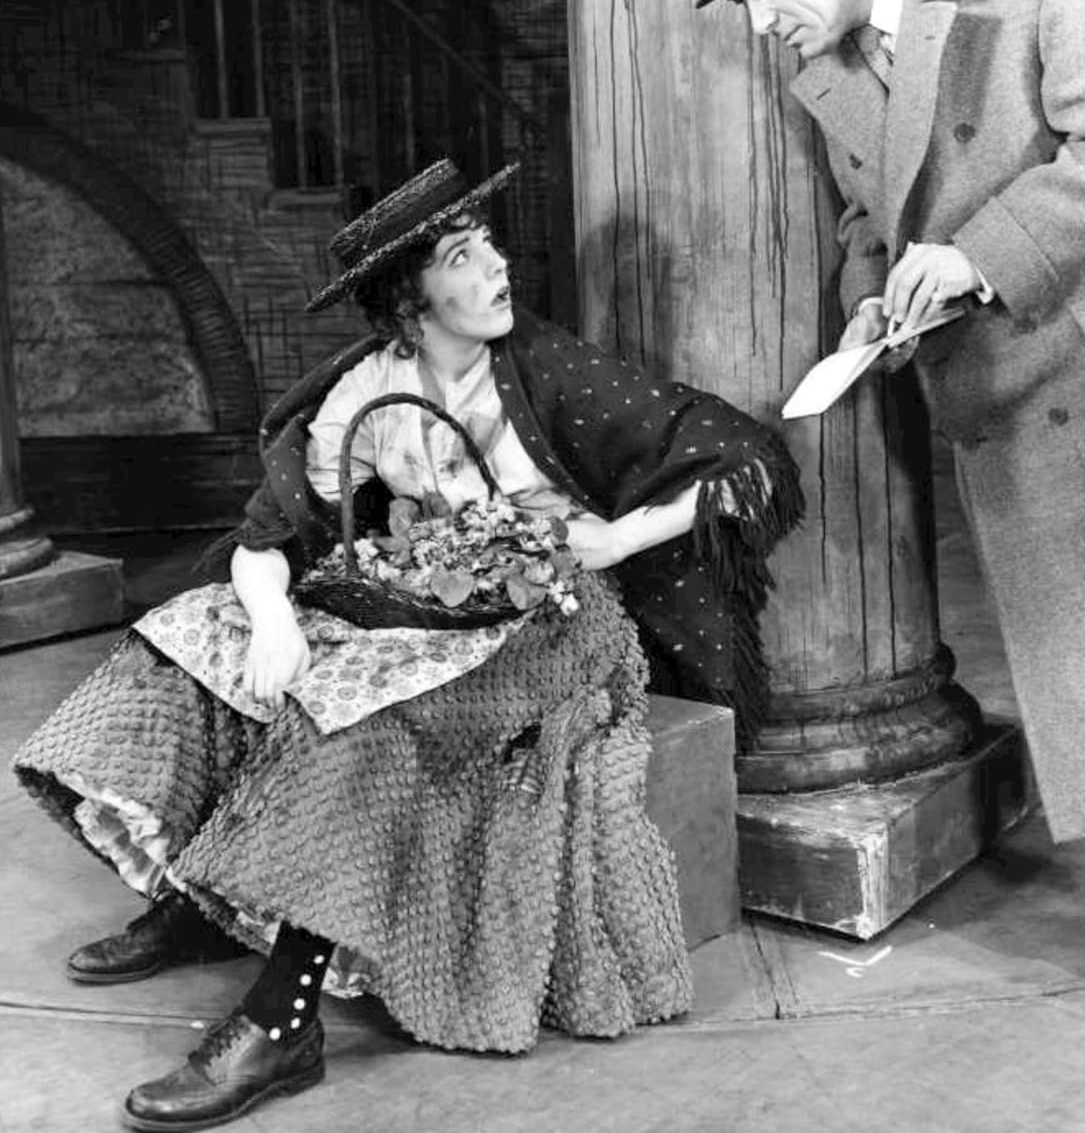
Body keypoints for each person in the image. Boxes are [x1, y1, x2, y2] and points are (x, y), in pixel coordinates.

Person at [14, 158, 802, 1132]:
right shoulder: (363, 394)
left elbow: (743, 456)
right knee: (180, 647)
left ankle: (282, 1018)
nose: (499, 270)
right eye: (465, 260)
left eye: (491, 248)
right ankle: (203, 894)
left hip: (550, 621)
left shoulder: (550, 370)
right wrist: (270, 622)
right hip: (417, 605)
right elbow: (270, 539)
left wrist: (616, 536)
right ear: (406, 300)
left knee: (357, 723)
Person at [683, 0, 1085, 1040]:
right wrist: (877, 300)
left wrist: (976, 254)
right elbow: (876, 214)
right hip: (1004, 397)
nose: (763, 27)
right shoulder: (826, 75)